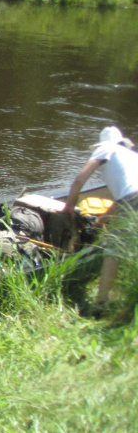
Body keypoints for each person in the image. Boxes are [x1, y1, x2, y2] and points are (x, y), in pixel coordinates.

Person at [62, 125, 138, 310]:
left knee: (114, 249)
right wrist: (100, 221)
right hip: (131, 199)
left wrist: (70, 204)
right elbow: (122, 200)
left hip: (133, 199)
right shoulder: (131, 156)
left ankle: (101, 303)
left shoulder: (106, 149)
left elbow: (80, 179)